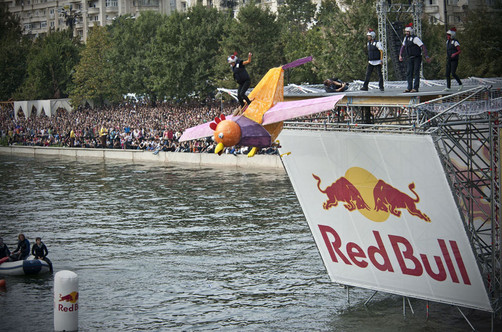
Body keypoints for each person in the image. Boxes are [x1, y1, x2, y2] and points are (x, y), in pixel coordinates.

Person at [399, 23, 431, 93]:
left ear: (411, 32)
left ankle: (415, 88)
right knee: (409, 72)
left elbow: (423, 46)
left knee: (416, 72)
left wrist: (426, 56)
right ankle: (409, 87)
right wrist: (400, 55)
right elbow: (403, 47)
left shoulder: (415, 38)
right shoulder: (406, 39)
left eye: (408, 32)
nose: (406, 33)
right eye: (406, 32)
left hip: (417, 57)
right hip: (409, 57)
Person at [444, 27, 463, 91]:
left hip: (454, 60)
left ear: (452, 35)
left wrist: (455, 54)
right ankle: (448, 87)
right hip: (449, 59)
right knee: (447, 73)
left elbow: (459, 50)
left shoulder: (455, 42)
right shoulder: (447, 42)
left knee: (453, 73)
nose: (447, 36)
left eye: (448, 35)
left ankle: (460, 84)